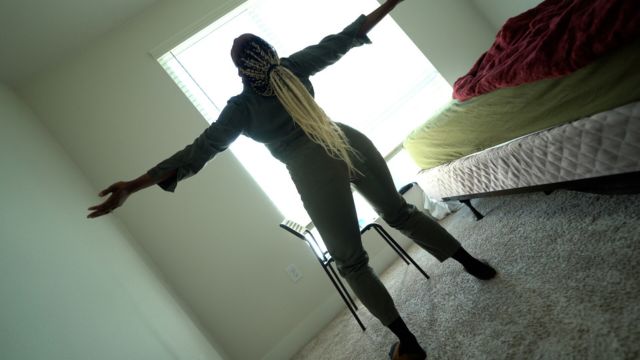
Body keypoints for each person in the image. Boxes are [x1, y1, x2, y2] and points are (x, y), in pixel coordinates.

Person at [88, 1, 496, 359]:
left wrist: (132, 186)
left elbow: (198, 152)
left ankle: (410, 344)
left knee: (352, 262)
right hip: (347, 139)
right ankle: (473, 265)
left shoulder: (242, 107)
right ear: (270, 53)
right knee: (401, 213)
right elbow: (344, 38)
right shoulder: (292, 67)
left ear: (239, 71)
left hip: (312, 169)